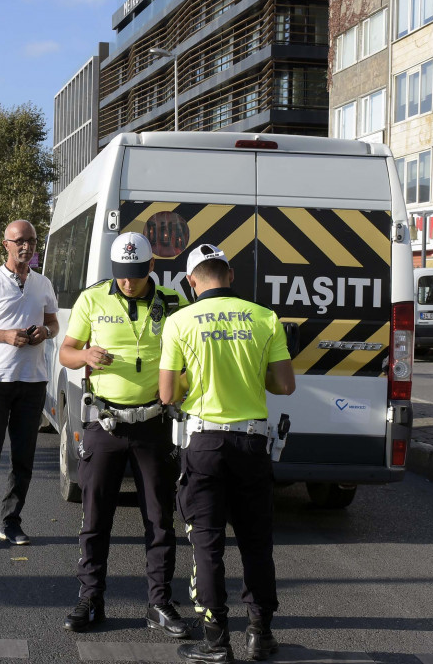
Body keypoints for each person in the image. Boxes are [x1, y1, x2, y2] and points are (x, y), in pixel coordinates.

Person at [159, 244, 296, 664]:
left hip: (204, 444)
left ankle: (216, 641)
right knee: (256, 542)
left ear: (191, 281)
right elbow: (285, 385)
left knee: (207, 542)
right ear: (231, 275)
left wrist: (188, 383)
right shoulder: (264, 318)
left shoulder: (179, 321)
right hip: (252, 443)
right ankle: (261, 635)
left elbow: (167, 393)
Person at [58, 232, 190, 637]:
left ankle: (160, 602)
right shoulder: (93, 298)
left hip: (154, 425)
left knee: (159, 520)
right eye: (121, 275)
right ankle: (90, 598)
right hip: (105, 424)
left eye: (135, 274)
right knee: (96, 518)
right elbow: (65, 351)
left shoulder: (172, 302)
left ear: (152, 267)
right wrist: (84, 355)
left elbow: (190, 354)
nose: (127, 282)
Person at [0, 219, 60, 548]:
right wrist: (5, 335)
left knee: (23, 457)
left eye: (31, 241)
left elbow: (53, 323)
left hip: (32, 381)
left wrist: (44, 333)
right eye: (19, 241)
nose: (27, 247)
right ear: (5, 244)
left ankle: (11, 522)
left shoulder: (43, 283)